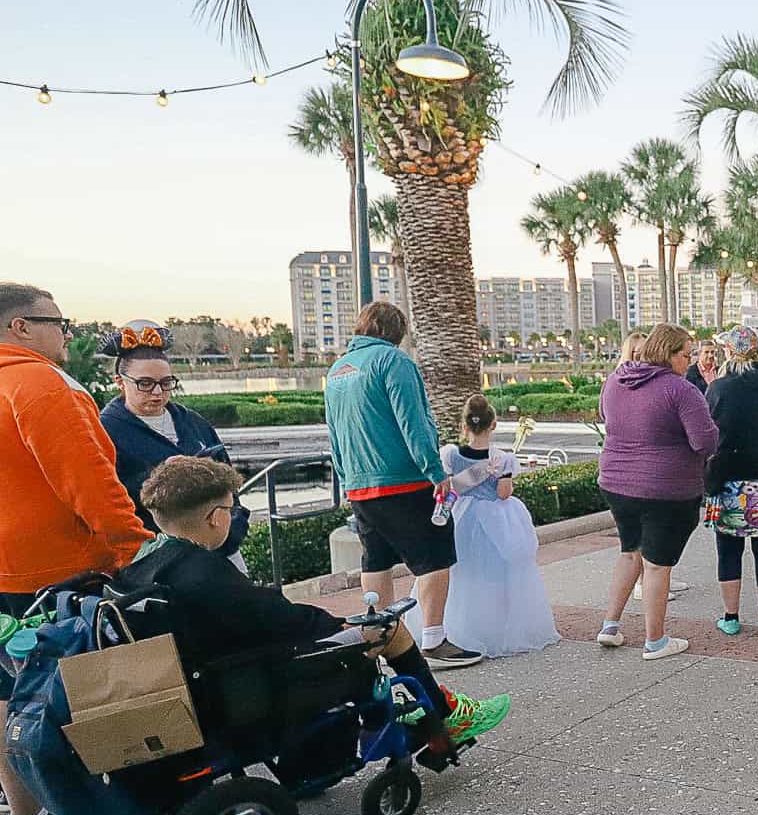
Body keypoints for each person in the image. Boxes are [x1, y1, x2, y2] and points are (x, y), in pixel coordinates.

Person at [119, 458, 510, 761]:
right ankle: (444, 716)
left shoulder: (142, 567)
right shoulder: (208, 575)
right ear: (215, 518)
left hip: (209, 677)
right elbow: (281, 620)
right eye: (231, 509)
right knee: (389, 629)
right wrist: (340, 623)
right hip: (258, 677)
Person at [0, 283, 149, 815]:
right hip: (59, 571)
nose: (66, 332)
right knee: (100, 695)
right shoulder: (39, 381)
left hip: (6, 577)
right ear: (21, 327)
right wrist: (135, 553)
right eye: (58, 322)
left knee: (10, 695)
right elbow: (89, 481)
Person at [324, 302, 479, 669]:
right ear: (397, 332)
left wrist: (347, 480)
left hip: (361, 486)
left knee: (375, 559)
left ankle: (380, 638)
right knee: (434, 558)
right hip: (403, 480)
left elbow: (333, 433)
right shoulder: (394, 362)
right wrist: (435, 472)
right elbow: (414, 421)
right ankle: (434, 639)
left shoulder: (337, 371)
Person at [596, 324, 719, 660]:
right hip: (665, 488)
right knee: (656, 565)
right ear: (668, 353)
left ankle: (610, 625)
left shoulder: (615, 380)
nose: (689, 361)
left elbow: (607, 418)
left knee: (629, 552)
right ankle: (655, 641)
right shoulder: (680, 390)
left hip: (616, 483)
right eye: (685, 355)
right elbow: (704, 441)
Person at [97, 320, 248, 564]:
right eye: (145, 384)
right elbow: (107, 503)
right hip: (161, 560)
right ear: (119, 382)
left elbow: (229, 481)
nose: (157, 392)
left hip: (223, 548)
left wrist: (234, 529)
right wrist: (159, 477)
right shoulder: (105, 431)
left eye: (166, 383)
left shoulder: (192, 421)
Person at [431, 395, 557, 658]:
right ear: (494, 425)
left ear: (464, 426)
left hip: (461, 517)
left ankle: (459, 627)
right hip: (496, 524)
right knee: (497, 574)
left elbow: (448, 485)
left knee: (463, 572)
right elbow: (503, 494)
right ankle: (496, 627)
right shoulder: (502, 459)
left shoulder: (451, 455)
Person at [703, 327, 758, 637]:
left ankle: (731, 616)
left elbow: (708, 429)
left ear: (729, 351)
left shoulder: (718, 388)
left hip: (729, 478)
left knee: (728, 550)